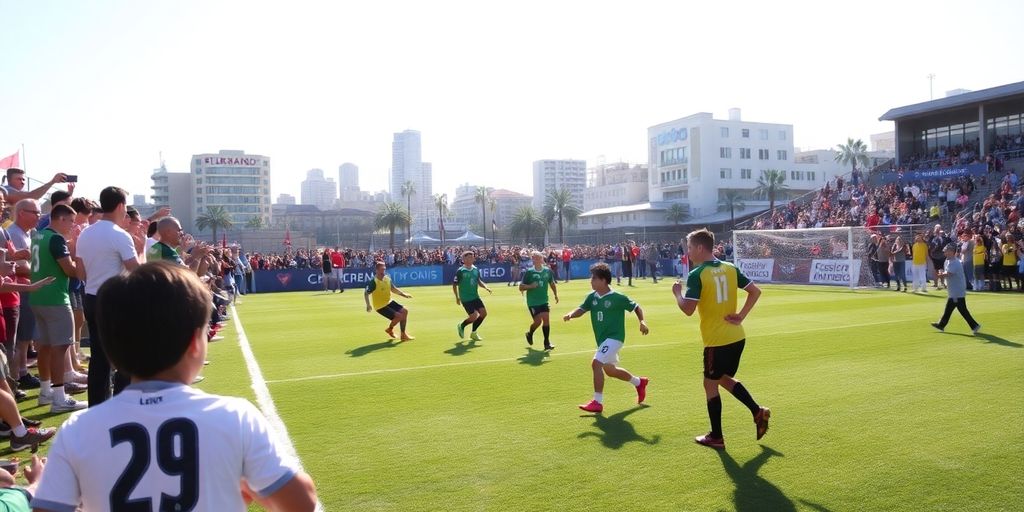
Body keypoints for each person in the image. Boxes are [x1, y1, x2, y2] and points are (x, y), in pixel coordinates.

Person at [30, 262, 319, 512]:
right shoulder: (235, 417)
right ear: (195, 343)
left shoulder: (78, 430)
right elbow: (301, 502)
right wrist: (248, 489)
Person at [672, 228, 769, 450]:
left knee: (710, 384)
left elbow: (688, 309)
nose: (687, 252)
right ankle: (757, 411)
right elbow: (756, 291)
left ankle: (716, 436)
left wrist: (677, 293)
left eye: (689, 248)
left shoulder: (697, 274)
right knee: (722, 379)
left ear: (699, 247)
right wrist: (741, 316)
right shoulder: (730, 268)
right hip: (736, 337)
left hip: (717, 340)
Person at [74, 186, 140, 406]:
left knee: (100, 358)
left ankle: (98, 407)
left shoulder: (86, 232)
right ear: (121, 206)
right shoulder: (120, 235)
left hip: (91, 297)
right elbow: (135, 270)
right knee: (125, 354)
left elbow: (80, 272)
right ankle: (122, 403)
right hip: (115, 300)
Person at [563, 262, 649, 414]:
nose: (591, 281)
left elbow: (636, 307)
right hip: (603, 341)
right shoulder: (592, 297)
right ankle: (639, 382)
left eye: (594, 278)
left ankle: (597, 402)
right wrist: (571, 314)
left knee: (596, 363)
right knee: (610, 371)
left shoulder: (617, 297)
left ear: (603, 280)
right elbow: (582, 309)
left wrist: (642, 321)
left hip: (615, 338)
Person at [30, 204, 87, 413]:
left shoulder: (38, 236)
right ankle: (59, 397)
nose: (73, 225)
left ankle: (46, 392)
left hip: (38, 297)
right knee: (60, 347)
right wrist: (79, 255)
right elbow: (71, 271)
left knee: (44, 346)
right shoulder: (55, 238)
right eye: (71, 221)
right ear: (61, 219)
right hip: (55, 298)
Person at [931, 243, 981, 334]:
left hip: (957, 290)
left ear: (951, 252)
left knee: (958, 310)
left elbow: (949, 274)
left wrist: (939, 275)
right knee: (957, 309)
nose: (944, 252)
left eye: (946, 251)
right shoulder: (947, 261)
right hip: (954, 289)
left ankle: (974, 325)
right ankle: (942, 325)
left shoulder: (955, 262)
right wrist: (941, 273)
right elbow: (947, 272)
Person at [364, 261, 414, 341]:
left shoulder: (387, 278)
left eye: (384, 269)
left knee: (405, 311)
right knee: (399, 316)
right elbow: (366, 293)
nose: (383, 271)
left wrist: (403, 294)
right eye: (382, 269)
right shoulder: (373, 282)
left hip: (389, 302)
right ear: (377, 270)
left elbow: (393, 289)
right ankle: (390, 329)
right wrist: (368, 305)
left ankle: (403, 335)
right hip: (380, 306)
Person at [519, 251, 558, 351]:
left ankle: (546, 342)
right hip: (533, 302)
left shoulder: (547, 271)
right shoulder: (529, 272)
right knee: (537, 321)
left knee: (546, 319)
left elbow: (552, 283)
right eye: (534, 258)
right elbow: (521, 287)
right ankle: (530, 333)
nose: (536, 259)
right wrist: (531, 286)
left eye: (538, 258)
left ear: (542, 259)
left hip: (544, 300)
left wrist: (555, 295)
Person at [453, 251, 492, 341]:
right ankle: (462, 325)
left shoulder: (475, 269)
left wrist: (486, 287)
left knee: (483, 314)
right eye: (470, 257)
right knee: (474, 316)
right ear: (464, 259)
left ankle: (474, 333)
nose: (472, 258)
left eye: (473, 257)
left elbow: (478, 281)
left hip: (475, 296)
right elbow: (454, 285)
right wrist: (457, 297)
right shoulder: (460, 271)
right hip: (465, 298)